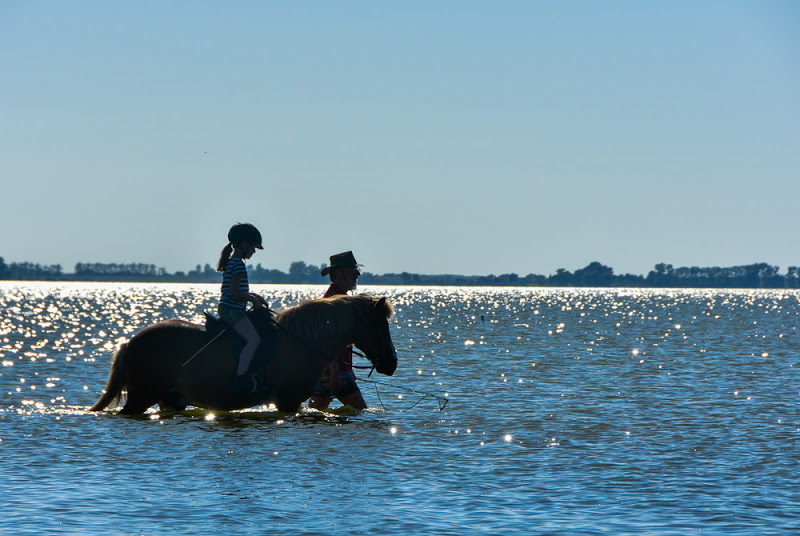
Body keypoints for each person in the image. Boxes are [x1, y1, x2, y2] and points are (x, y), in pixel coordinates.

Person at [308, 251, 367, 410]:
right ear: (339, 272)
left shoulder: (337, 297)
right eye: (352, 270)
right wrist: (335, 372)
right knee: (362, 414)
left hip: (322, 371)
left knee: (313, 417)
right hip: (336, 371)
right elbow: (327, 339)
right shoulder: (335, 302)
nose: (357, 274)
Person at [216, 222, 267, 392]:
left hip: (229, 307)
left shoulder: (232, 262)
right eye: (253, 247)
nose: (253, 251)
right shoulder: (238, 264)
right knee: (254, 340)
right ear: (244, 244)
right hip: (232, 310)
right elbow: (235, 291)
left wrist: (254, 296)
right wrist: (253, 301)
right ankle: (241, 379)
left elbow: (238, 290)